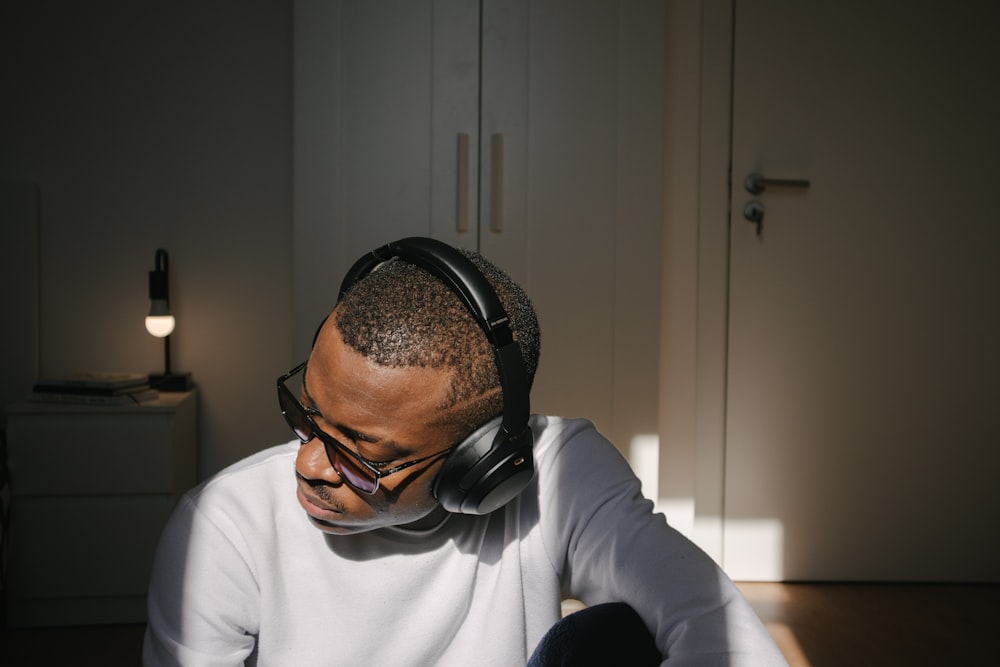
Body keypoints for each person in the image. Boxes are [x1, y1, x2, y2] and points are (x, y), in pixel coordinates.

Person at [143, 237, 786, 666]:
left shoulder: (560, 472)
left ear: (480, 465)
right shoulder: (224, 526)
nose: (308, 466)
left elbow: (714, 623)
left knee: (606, 641)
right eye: (307, 414)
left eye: (362, 453)